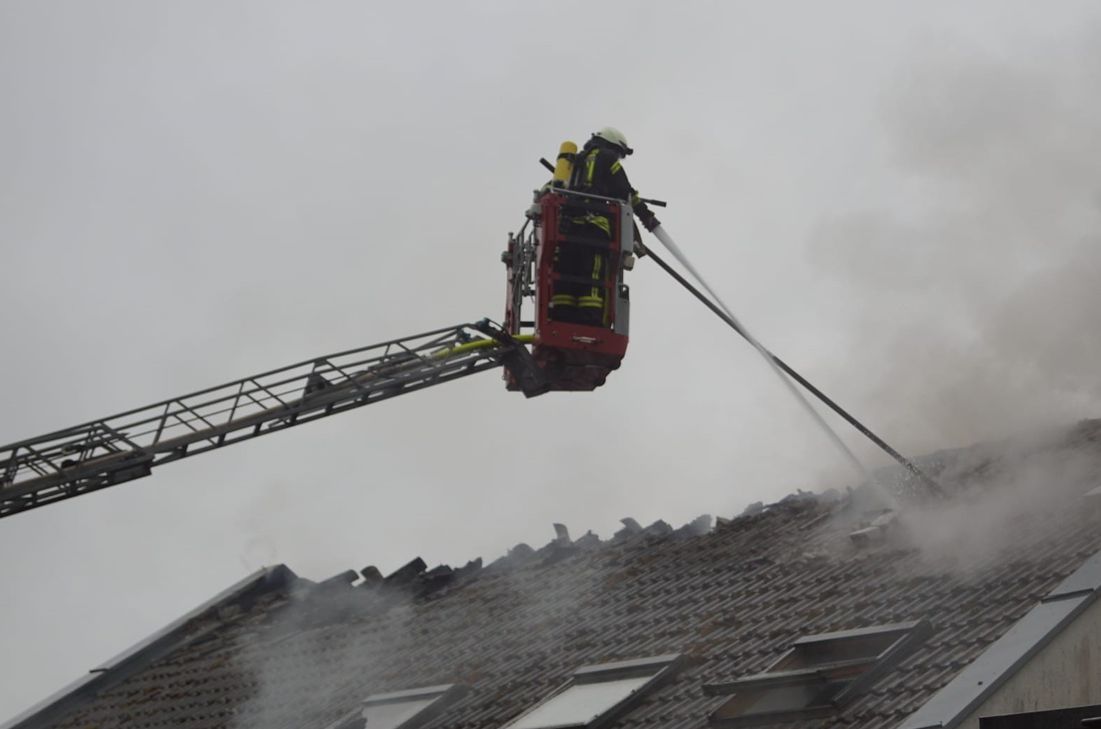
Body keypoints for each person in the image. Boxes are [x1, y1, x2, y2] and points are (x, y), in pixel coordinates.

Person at [550, 127, 661, 326]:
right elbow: (626, 193)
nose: (618, 157)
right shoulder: (607, 158)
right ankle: (590, 318)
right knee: (593, 274)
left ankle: (562, 314)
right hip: (595, 229)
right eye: (619, 153)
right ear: (612, 145)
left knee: (568, 274)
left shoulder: (575, 162)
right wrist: (647, 217)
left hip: (568, 230)